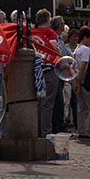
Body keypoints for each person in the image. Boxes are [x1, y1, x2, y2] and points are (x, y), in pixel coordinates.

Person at [34, 9, 60, 137]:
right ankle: (45, 132)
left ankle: (37, 130)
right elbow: (54, 48)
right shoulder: (50, 32)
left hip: (35, 70)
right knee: (48, 103)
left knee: (37, 102)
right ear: (48, 20)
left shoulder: (33, 32)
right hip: (49, 68)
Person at [73, 26, 90, 139]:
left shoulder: (78, 48)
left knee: (81, 106)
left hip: (77, 78)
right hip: (84, 80)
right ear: (85, 37)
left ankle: (81, 130)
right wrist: (79, 81)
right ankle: (89, 130)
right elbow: (83, 66)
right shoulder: (86, 50)